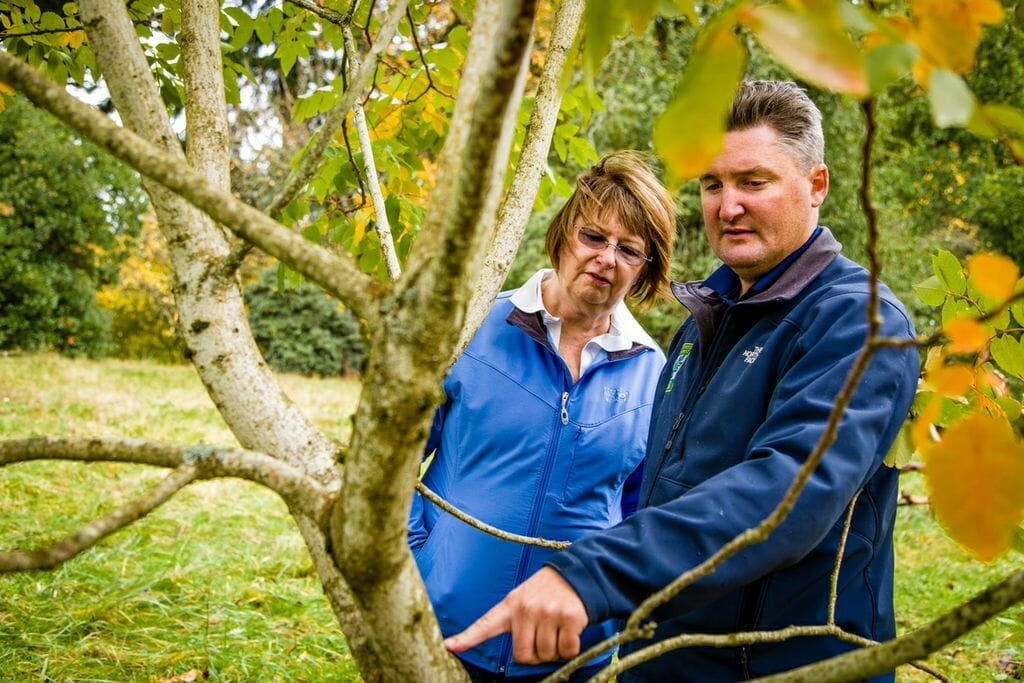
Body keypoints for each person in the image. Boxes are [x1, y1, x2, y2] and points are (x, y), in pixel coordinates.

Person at [445, 81, 920, 682]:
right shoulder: (701, 325)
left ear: (816, 185)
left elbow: (786, 493)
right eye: (713, 184)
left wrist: (592, 575)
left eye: (753, 182)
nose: (728, 207)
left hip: (777, 667)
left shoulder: (859, 321)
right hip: (663, 661)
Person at [408, 151, 677, 681]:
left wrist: (605, 603)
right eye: (593, 236)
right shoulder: (474, 327)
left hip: (571, 652)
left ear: (646, 267)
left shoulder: (653, 372)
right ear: (562, 234)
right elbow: (396, 460)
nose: (606, 259)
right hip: (442, 629)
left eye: (629, 249)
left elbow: (640, 511)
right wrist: (416, 560)